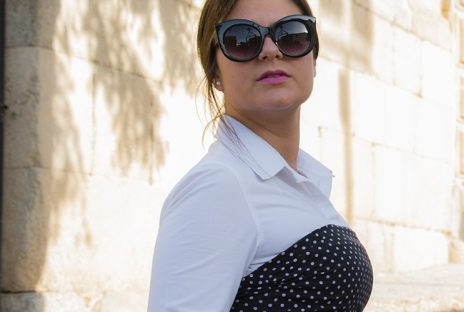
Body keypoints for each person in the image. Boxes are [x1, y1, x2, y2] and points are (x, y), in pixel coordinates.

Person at [147, 0, 373, 310]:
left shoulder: (301, 180)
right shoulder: (219, 186)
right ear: (216, 73)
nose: (270, 50)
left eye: (292, 34)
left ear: (314, 60)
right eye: (242, 40)